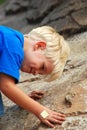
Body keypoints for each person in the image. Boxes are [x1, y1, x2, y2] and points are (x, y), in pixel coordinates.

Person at [0, 25, 70, 128]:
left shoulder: (12, 38)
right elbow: (6, 86)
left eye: (40, 73)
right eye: (42, 67)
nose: (35, 73)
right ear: (39, 46)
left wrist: (23, 100)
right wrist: (41, 111)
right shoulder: (13, 46)